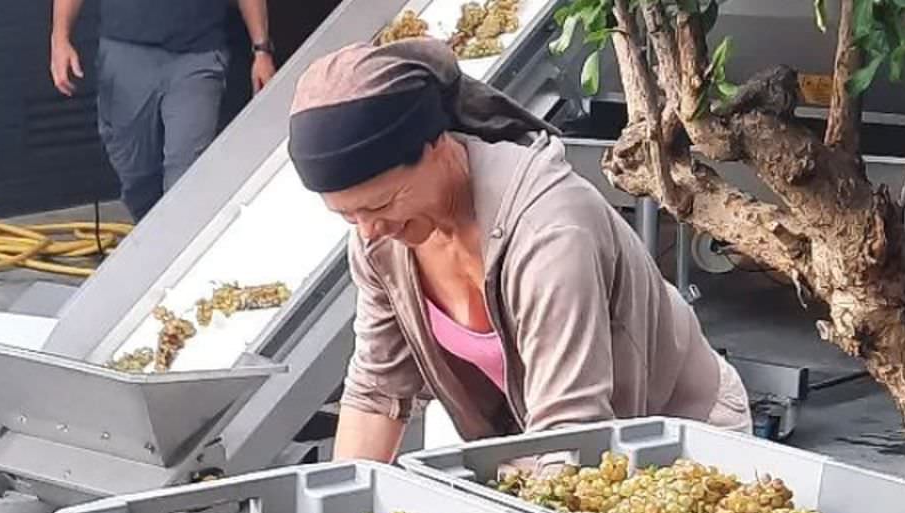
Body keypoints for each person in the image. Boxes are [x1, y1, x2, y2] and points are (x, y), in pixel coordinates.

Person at [286, 38, 751, 461]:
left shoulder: (548, 230)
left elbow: (572, 429)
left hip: (678, 437)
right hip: (549, 442)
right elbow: (376, 390)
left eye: (381, 203)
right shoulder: (381, 242)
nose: (368, 231)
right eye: (348, 216)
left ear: (436, 145)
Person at [51, 0, 277, 220]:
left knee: (186, 173)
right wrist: (60, 39)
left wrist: (262, 50)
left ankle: (178, 244)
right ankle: (154, 239)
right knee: (137, 175)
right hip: (126, 50)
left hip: (198, 55)